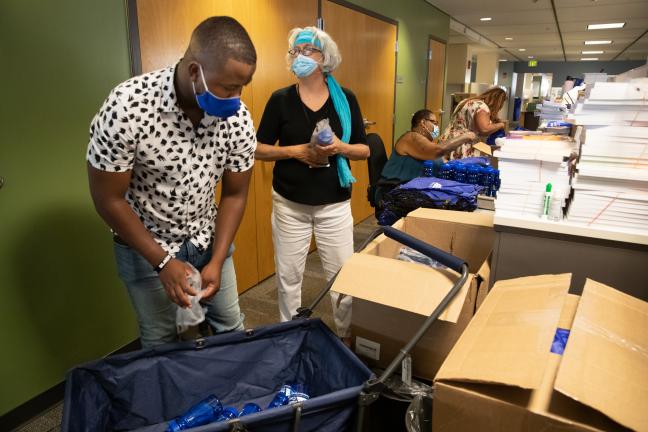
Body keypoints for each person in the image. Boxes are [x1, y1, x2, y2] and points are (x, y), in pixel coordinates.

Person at [86, 17, 257, 348]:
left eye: (242, 87)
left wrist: (218, 259)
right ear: (195, 71)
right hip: (145, 243)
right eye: (227, 87)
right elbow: (108, 199)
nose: (236, 99)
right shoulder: (127, 107)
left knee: (231, 327)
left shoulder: (237, 118)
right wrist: (162, 262)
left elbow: (235, 194)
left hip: (208, 239)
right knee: (161, 340)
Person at [255, 26, 369, 342]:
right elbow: (258, 147)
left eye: (308, 51)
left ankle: (346, 337)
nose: (300, 57)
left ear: (325, 58)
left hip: (334, 203)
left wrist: (339, 148)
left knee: (343, 277)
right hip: (290, 203)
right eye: (295, 51)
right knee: (289, 277)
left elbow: (364, 148)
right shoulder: (280, 100)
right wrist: (295, 151)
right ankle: (289, 336)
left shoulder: (345, 99)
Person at [375, 109, 475, 209]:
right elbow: (437, 150)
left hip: (416, 192)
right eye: (434, 123)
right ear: (423, 123)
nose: (437, 127)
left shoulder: (427, 144)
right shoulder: (411, 137)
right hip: (395, 194)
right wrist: (465, 136)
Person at [440, 87, 507, 159]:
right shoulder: (482, 107)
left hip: (450, 139)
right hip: (463, 142)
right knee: (461, 168)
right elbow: (484, 130)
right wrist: (501, 125)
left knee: (445, 167)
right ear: (498, 102)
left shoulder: (467, 101)